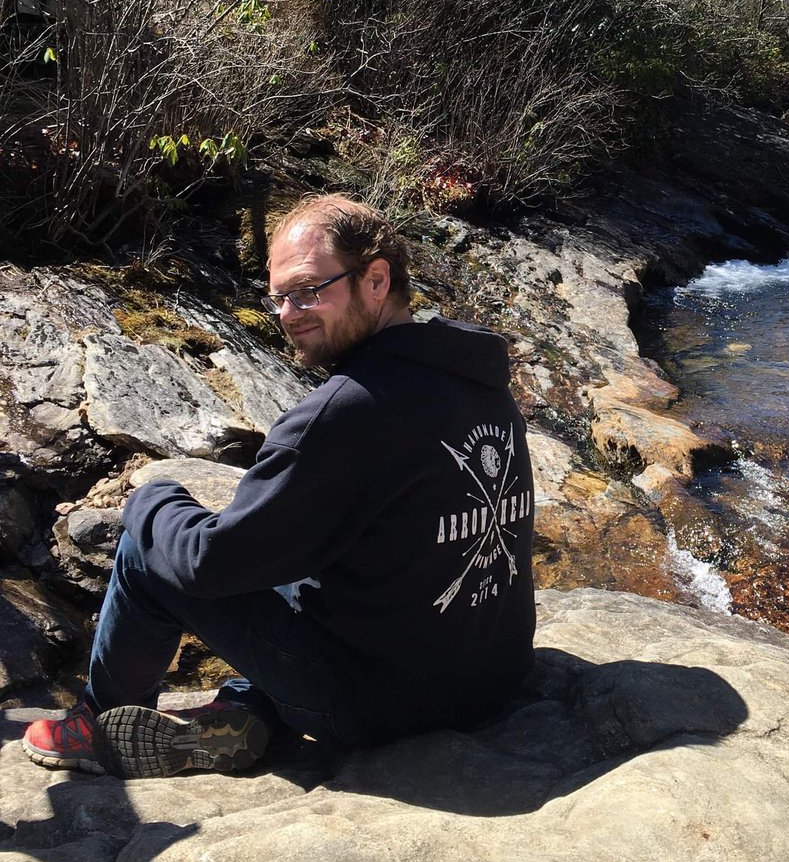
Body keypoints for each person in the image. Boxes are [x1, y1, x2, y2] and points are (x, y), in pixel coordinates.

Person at [23, 194, 536, 777]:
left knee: (151, 550)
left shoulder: (346, 411)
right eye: (279, 298)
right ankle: (245, 708)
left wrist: (150, 500)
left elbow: (208, 565)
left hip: (386, 707)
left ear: (375, 279)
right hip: (494, 677)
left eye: (309, 290)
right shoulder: (474, 374)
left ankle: (99, 722)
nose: (290, 314)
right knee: (291, 556)